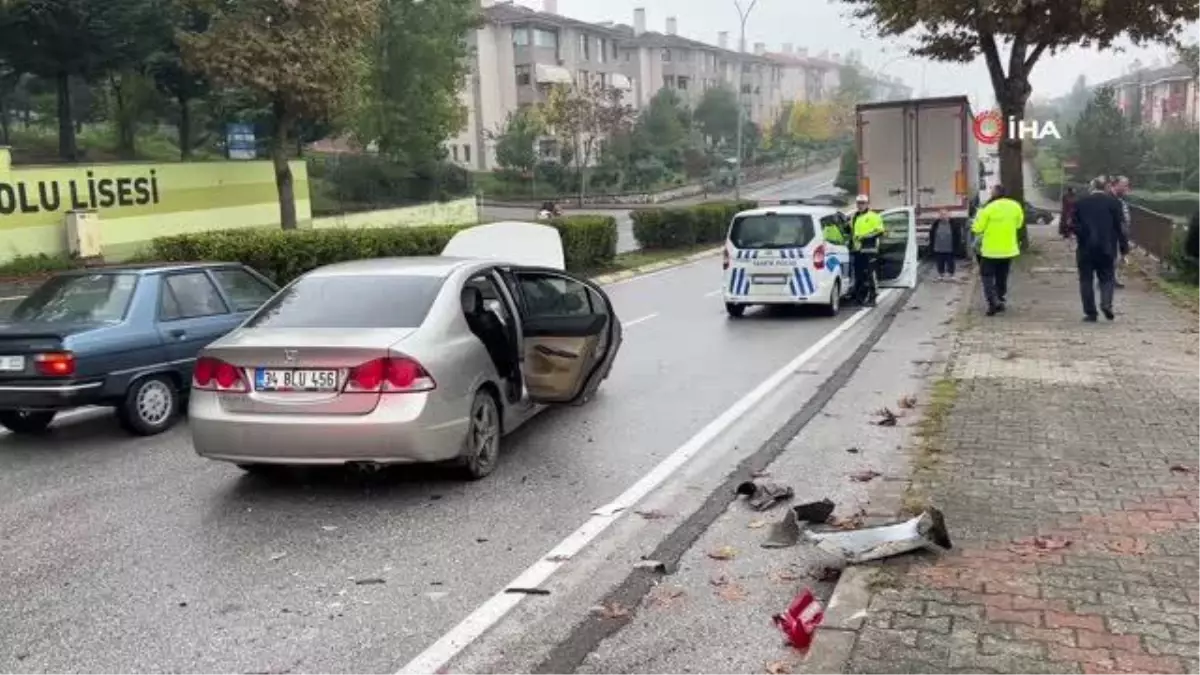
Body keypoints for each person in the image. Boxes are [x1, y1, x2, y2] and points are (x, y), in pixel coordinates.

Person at [1073, 176, 1128, 321]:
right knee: (1107, 277)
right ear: (1106, 188)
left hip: (1086, 247)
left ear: (1092, 187)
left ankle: (1090, 313)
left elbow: (1074, 225)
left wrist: (1082, 235)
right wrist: (1123, 247)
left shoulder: (1080, 203)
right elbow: (1120, 227)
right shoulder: (1114, 203)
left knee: (1086, 280)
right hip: (1107, 247)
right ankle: (1106, 304)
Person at [970, 184, 1025, 316]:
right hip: (1008, 249)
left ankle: (993, 302)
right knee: (1002, 275)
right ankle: (1000, 297)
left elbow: (977, 228)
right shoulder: (1015, 206)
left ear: (994, 194)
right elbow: (1019, 224)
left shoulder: (988, 209)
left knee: (987, 276)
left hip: (990, 250)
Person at [849, 194, 885, 306]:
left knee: (871, 275)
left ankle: (873, 298)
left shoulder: (874, 216)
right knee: (859, 275)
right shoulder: (854, 216)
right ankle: (860, 298)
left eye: (863, 203)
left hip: (870, 249)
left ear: (867, 204)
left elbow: (880, 231)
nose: (860, 205)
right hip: (857, 250)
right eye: (859, 203)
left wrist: (866, 237)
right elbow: (852, 232)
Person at [1109, 176, 1131, 288]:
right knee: (1112, 257)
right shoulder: (1110, 198)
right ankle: (1107, 279)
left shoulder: (1120, 198)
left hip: (1118, 233)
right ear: (1116, 184)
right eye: (1124, 185)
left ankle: (1112, 278)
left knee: (1116, 257)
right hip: (1111, 233)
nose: (1126, 188)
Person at [928, 209, 956, 280]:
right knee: (940, 262)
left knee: (950, 262)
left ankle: (951, 275)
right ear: (939, 216)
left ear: (948, 215)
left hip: (950, 248)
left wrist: (957, 247)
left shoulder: (953, 224)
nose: (943, 216)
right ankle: (941, 274)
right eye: (941, 214)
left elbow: (957, 236)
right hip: (938, 248)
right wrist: (932, 246)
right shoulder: (936, 224)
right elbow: (931, 235)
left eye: (945, 214)